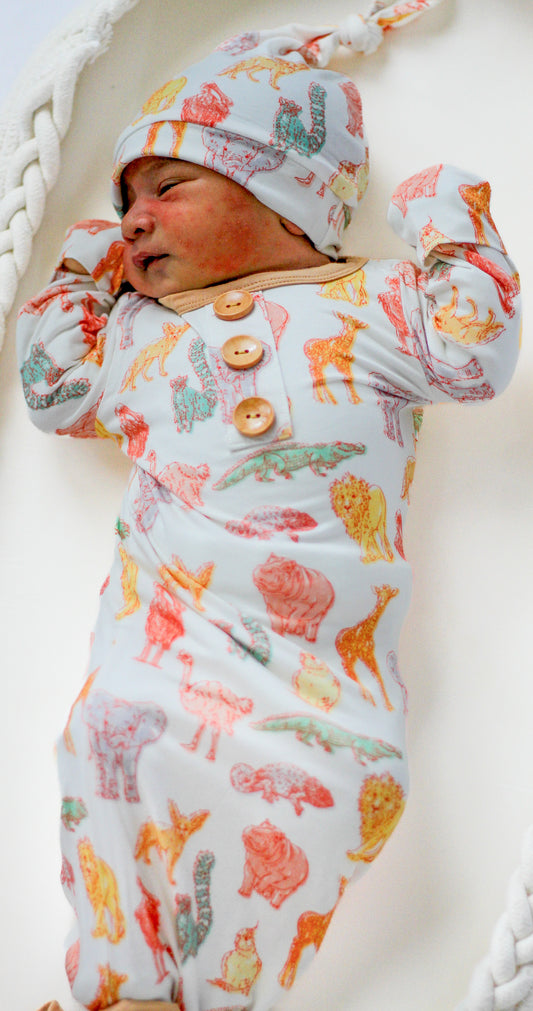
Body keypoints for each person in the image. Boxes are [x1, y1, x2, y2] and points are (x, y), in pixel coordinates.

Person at [19, 3, 521, 1010]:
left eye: (168, 186)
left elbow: (472, 354)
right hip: (171, 626)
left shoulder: (375, 305)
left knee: (350, 789)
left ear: (278, 188)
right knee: (115, 737)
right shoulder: (138, 338)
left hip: (322, 654)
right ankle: (127, 983)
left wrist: (446, 218)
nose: (134, 219)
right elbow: (53, 389)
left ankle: (207, 987)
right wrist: (78, 273)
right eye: (125, 204)